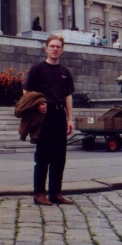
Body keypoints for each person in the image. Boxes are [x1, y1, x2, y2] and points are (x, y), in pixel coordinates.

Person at [23, 35, 75, 206]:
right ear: (45, 48)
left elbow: (68, 96)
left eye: (58, 47)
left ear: (62, 50)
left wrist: (70, 119)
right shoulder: (37, 69)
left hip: (60, 117)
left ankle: (55, 193)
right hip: (44, 117)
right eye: (52, 46)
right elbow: (26, 92)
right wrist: (37, 106)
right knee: (43, 156)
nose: (55, 49)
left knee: (59, 157)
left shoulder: (65, 72)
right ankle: (39, 193)